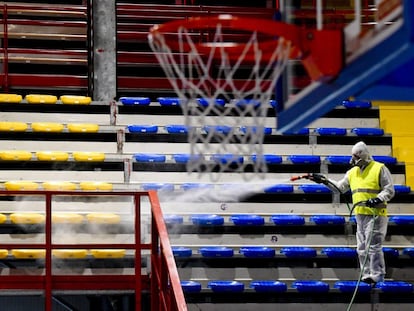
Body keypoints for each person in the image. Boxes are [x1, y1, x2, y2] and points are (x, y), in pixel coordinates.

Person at [309, 141, 395, 285]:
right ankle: (366, 273)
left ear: (362, 155)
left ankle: (377, 274)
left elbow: (389, 190)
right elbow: (339, 188)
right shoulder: (352, 172)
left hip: (376, 214)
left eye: (355, 156)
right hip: (360, 214)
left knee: (372, 245)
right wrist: (324, 181)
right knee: (361, 246)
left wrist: (378, 198)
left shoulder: (379, 168)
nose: (353, 159)